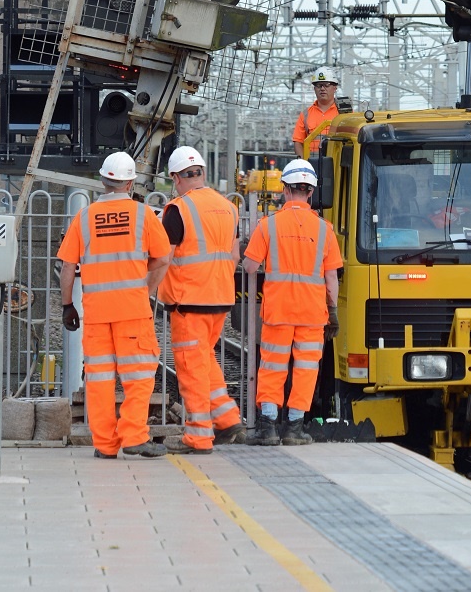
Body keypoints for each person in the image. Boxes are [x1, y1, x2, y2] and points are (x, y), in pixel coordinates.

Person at [58, 151, 171, 459]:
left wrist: (68, 304)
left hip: (96, 313)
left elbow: (68, 266)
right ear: (130, 182)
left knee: (99, 380)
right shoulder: (143, 215)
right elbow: (163, 259)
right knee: (138, 377)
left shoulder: (83, 217)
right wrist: (144, 290)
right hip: (132, 312)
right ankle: (134, 437)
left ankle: (106, 445)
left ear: (103, 181)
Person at [243, 158, 342, 446]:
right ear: (310, 192)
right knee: (306, 369)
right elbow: (332, 278)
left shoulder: (268, 226)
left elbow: (249, 266)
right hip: (313, 313)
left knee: (273, 366)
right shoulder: (325, 229)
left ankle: (269, 428)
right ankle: (295, 428)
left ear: (285, 189)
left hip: (279, 310)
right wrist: (332, 311)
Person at [159, 145, 246, 452]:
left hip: (189, 301)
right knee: (206, 360)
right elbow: (234, 255)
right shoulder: (228, 207)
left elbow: (163, 259)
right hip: (220, 297)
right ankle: (227, 418)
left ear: (176, 177)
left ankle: (198, 436)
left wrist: (149, 291)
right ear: (202, 173)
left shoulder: (178, 209)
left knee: (191, 367)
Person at [292, 67, 341, 157]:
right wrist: (304, 164)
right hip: (312, 165)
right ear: (314, 88)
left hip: (338, 166)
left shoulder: (345, 114)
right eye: (319, 85)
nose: (322, 89)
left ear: (335, 88)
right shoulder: (306, 114)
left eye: (327, 85)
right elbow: (298, 142)